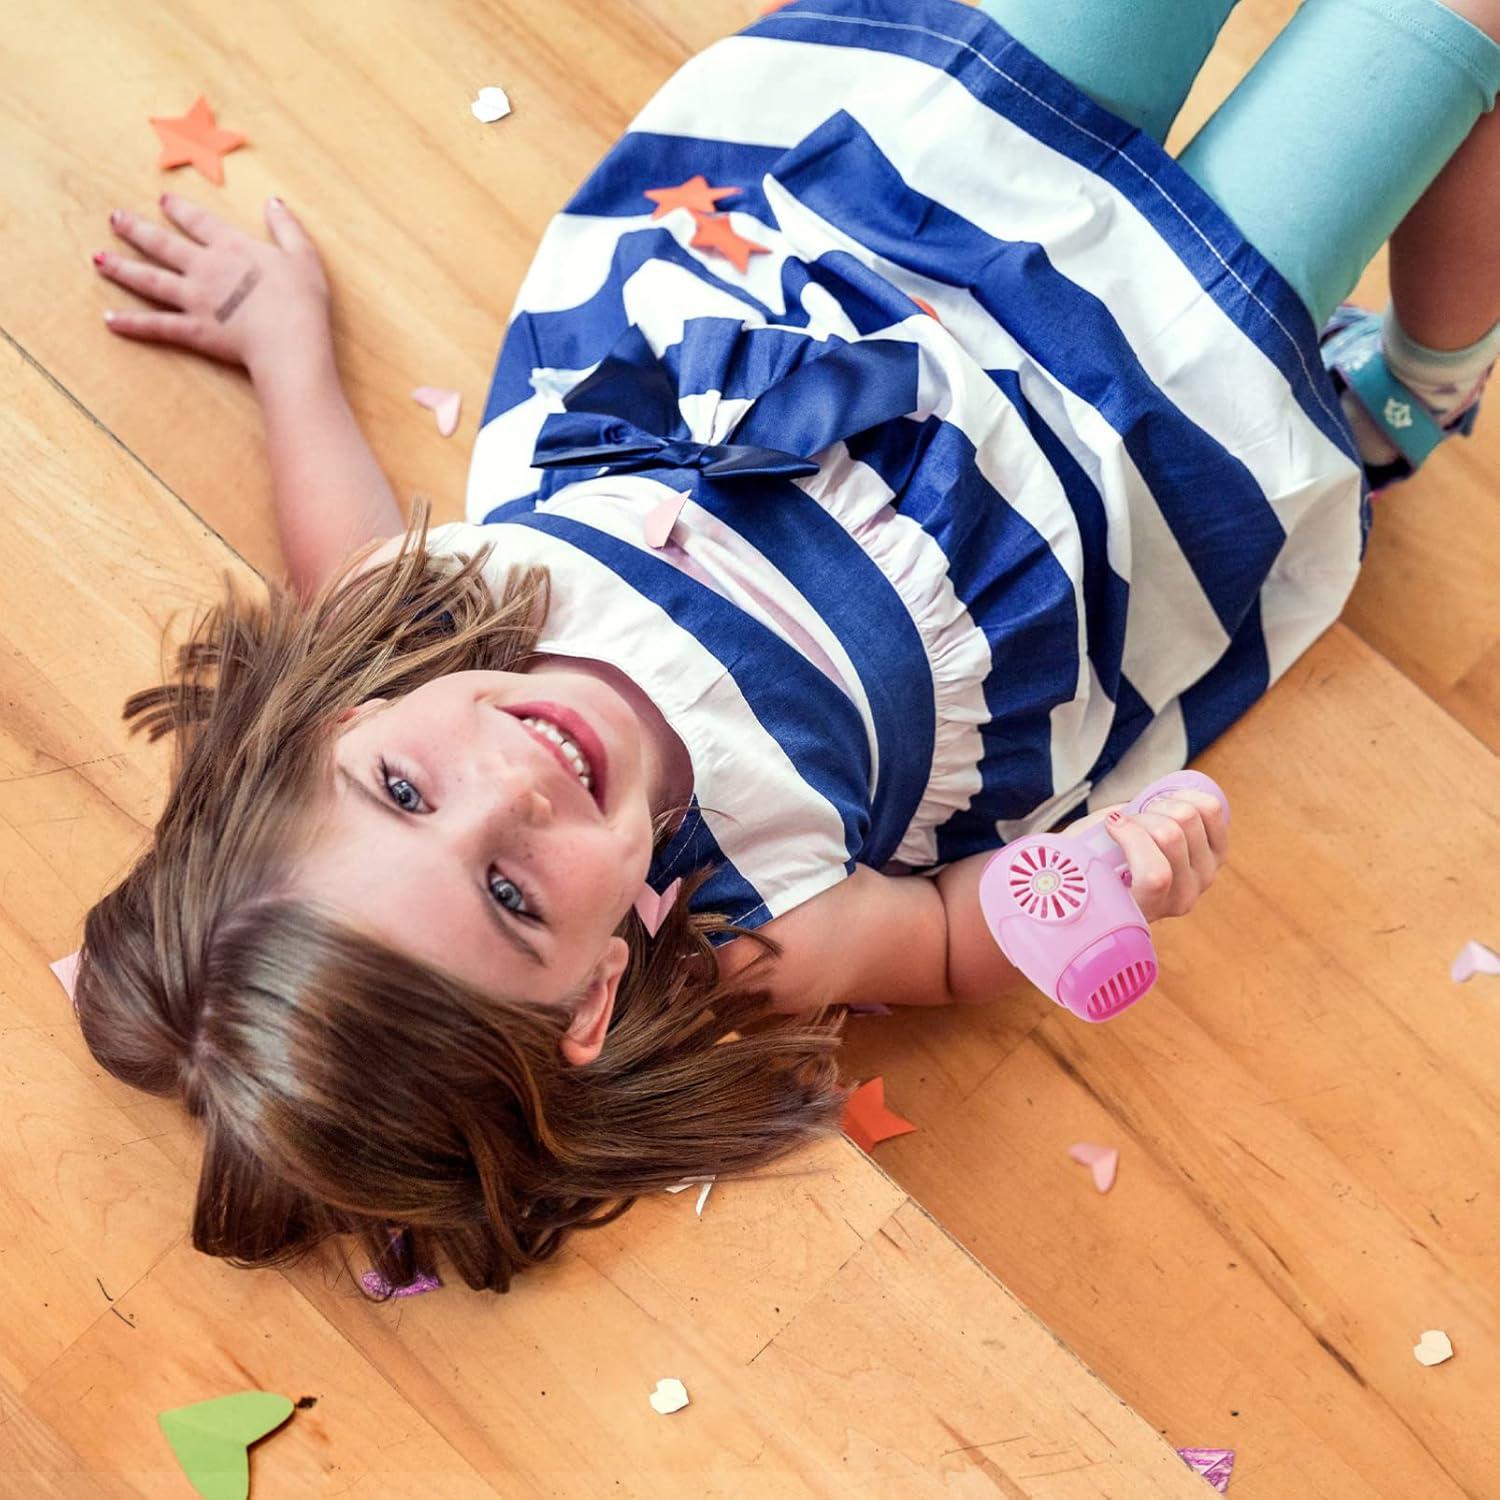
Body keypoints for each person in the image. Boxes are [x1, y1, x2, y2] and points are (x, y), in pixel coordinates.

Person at [76, 0, 1498, 1295]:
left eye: (403, 791)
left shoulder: (410, 622)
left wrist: (284, 345)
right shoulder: (756, 932)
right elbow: (943, 943)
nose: (514, 785)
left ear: (333, 725)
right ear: (589, 1001)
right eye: (511, 893)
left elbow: (337, 537)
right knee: (1434, 42)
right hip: (1120, 444)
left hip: (905, 252)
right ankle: (1415, 388)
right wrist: (1099, 876)